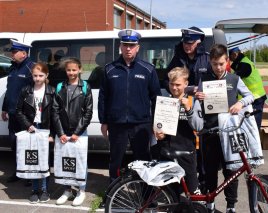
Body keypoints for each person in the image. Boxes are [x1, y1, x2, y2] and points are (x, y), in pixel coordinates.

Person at [195, 44, 254, 213]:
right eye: (214, 64)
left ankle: (231, 206)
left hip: (231, 133)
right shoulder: (205, 79)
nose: (218, 67)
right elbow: (198, 104)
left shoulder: (234, 79)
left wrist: (239, 103)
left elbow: (250, 96)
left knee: (232, 170)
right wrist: (199, 97)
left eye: (221, 63)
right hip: (210, 132)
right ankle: (210, 202)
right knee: (210, 171)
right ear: (210, 63)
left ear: (227, 61)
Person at [98, 29, 161, 182]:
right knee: (115, 160)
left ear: (138, 47)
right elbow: (103, 97)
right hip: (116, 124)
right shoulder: (109, 69)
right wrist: (104, 121)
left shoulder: (148, 69)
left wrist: (157, 123)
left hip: (141, 124)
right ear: (120, 46)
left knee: (143, 161)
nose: (128, 48)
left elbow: (156, 98)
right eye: (125, 44)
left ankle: (145, 195)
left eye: (132, 45)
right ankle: (112, 194)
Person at [154, 66, 203, 196]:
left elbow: (198, 127)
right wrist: (158, 134)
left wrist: (189, 109)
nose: (174, 88)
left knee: (192, 192)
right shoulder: (165, 101)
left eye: (178, 84)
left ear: (186, 84)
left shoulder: (193, 101)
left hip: (186, 153)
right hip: (167, 152)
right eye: (171, 84)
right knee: (171, 194)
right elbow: (158, 130)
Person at [52, 57, 93, 206]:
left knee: (80, 162)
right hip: (63, 132)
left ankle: (81, 190)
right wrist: (60, 132)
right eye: (69, 70)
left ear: (80, 70)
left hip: (79, 133)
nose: (71, 72)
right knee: (65, 161)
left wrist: (77, 132)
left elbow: (88, 113)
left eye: (74, 70)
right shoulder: (60, 87)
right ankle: (67, 190)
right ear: (65, 71)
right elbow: (55, 111)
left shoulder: (85, 87)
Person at [15, 62, 55, 203]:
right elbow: (18, 111)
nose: (37, 78)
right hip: (31, 128)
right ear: (31, 76)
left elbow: (55, 115)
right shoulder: (26, 90)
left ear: (46, 75)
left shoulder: (51, 91)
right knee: (32, 159)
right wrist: (27, 125)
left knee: (44, 160)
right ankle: (34, 189)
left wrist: (52, 134)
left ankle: (44, 189)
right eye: (35, 75)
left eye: (40, 75)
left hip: (45, 128)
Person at [1, 39, 34, 183]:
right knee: (14, 144)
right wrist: (4, 109)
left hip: (25, 115)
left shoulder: (31, 68)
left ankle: (28, 175)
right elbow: (9, 91)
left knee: (27, 145)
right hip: (12, 113)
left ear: (24, 53)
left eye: (14, 52)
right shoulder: (13, 68)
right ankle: (18, 171)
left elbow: (35, 92)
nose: (12, 55)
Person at [229, 47, 267, 129]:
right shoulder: (244, 62)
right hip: (254, 97)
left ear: (235, 54)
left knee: (254, 126)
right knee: (249, 124)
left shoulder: (244, 65)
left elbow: (233, 79)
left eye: (230, 57)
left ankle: (256, 142)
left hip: (256, 98)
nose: (230, 59)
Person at [165, 26, 210, 91]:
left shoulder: (207, 59)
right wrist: (175, 92)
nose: (186, 45)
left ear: (198, 42)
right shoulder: (177, 59)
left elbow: (214, 82)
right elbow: (166, 80)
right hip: (182, 98)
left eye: (190, 43)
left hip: (201, 99)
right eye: (185, 42)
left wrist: (202, 91)